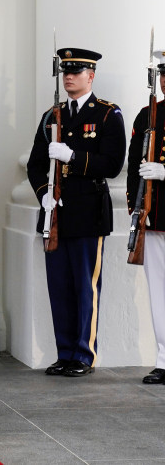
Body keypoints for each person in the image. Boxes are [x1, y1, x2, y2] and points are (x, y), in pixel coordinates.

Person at [27, 48, 126, 377]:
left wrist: (72, 156)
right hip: (55, 215)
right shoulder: (50, 116)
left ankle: (83, 354)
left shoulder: (108, 115)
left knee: (85, 285)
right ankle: (64, 352)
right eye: (65, 71)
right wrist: (43, 195)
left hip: (88, 214)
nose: (69, 77)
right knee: (59, 286)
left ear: (91, 76)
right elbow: (35, 165)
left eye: (77, 72)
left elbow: (111, 165)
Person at [126, 50, 165, 385]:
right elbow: (132, 168)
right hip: (154, 218)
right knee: (158, 291)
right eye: (163, 73)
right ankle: (164, 359)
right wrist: (136, 210)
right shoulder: (146, 116)